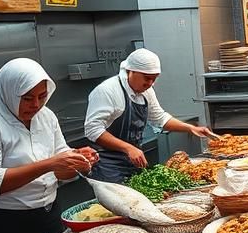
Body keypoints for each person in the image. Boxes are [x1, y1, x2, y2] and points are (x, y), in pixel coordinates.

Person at [0, 58, 99, 233]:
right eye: (27, 98)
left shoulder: (46, 116)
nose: (36, 105)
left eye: (42, 96)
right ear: (8, 93)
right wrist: (49, 164)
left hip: (47, 215)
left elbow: (59, 165)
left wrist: (77, 161)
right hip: (3, 225)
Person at [85, 48, 212, 183]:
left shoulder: (147, 91)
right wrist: (128, 148)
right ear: (131, 71)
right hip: (106, 164)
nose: (150, 83)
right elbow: (93, 130)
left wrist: (190, 128)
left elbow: (159, 118)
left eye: (154, 79)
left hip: (133, 160)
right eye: (147, 78)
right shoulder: (107, 91)